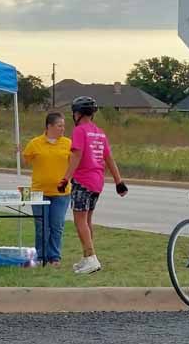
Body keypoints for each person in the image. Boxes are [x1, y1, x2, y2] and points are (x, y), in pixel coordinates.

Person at [58, 96, 127, 274]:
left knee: (80, 221)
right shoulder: (99, 132)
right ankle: (86, 257)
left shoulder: (80, 131)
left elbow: (76, 156)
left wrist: (65, 178)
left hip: (83, 180)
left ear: (78, 114)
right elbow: (108, 157)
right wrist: (119, 181)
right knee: (87, 221)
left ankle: (91, 258)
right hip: (97, 182)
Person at [22, 111, 71, 266]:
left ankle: (54, 257)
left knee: (57, 225)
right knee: (41, 226)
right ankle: (41, 256)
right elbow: (25, 160)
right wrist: (18, 153)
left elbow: (75, 163)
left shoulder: (68, 144)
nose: (62, 129)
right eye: (59, 125)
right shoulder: (35, 143)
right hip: (38, 192)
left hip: (61, 193)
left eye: (63, 126)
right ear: (49, 126)